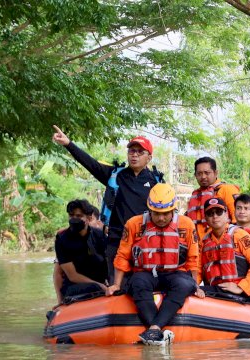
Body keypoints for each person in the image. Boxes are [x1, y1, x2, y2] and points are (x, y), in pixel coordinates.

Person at [52, 125, 164, 282]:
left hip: (145, 239)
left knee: (144, 282)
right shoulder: (115, 175)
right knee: (116, 283)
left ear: (149, 157)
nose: (135, 155)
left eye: (140, 152)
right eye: (132, 151)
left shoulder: (156, 181)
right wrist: (68, 144)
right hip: (116, 238)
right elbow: (91, 164)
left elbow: (165, 213)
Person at [106, 184, 199, 346]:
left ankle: (154, 328)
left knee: (184, 285)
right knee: (137, 283)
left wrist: (196, 285)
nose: (161, 218)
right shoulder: (134, 224)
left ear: (173, 210)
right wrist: (116, 284)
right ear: (149, 210)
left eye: (165, 214)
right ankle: (157, 330)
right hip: (145, 273)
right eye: (156, 214)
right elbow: (122, 256)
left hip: (176, 273)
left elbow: (193, 259)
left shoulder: (187, 225)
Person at [196, 197, 250, 303]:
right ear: (206, 218)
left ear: (226, 215)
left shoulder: (239, 235)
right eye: (210, 213)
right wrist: (195, 287)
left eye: (219, 212)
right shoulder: (204, 241)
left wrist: (241, 287)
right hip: (217, 288)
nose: (215, 216)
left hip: (237, 287)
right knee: (188, 289)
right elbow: (198, 270)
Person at [54, 199, 108, 301]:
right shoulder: (62, 239)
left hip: (99, 282)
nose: (74, 219)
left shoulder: (99, 235)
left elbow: (109, 261)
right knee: (95, 287)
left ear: (89, 218)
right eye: (71, 215)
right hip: (74, 287)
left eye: (79, 216)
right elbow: (72, 276)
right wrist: (59, 299)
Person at [186, 157, 240, 240]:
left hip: (221, 243)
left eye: (207, 173)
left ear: (215, 173)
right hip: (198, 246)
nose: (203, 176)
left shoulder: (227, 190)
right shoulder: (195, 195)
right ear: (195, 175)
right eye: (199, 173)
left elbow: (238, 220)